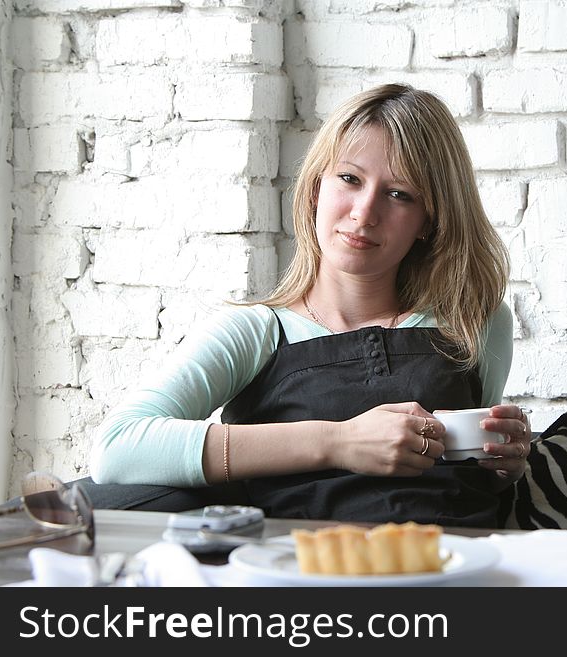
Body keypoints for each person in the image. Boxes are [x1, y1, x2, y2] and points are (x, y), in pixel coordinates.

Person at [88, 83, 531, 528]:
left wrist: (503, 466)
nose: (364, 212)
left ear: (428, 222)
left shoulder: (477, 321)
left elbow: (473, 482)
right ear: (317, 188)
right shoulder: (255, 333)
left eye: (400, 194)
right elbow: (118, 446)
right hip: (305, 576)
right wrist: (338, 441)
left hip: (458, 572)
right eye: (350, 179)